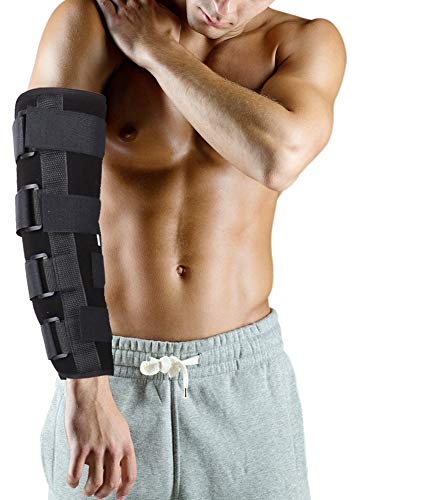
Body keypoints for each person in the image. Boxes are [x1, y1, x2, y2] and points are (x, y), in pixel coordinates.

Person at [30, 0, 346, 498]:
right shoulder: (93, 21)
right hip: (108, 374)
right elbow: (51, 208)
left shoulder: (302, 43)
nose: (222, 7)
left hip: (244, 384)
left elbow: (278, 158)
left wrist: (158, 52)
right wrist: (86, 384)